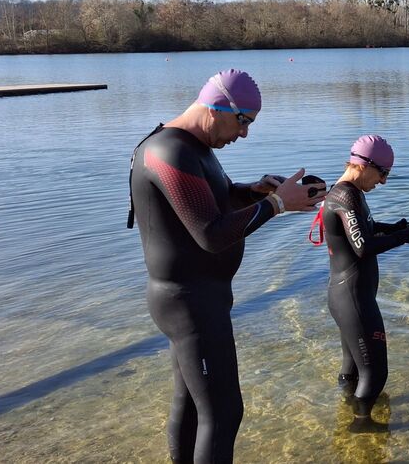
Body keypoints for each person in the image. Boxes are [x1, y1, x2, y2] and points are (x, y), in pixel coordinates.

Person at [128, 69, 319, 463]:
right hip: (189, 302)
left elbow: (211, 199)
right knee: (224, 413)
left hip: (198, 298)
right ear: (217, 109)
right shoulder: (169, 151)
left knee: (193, 405)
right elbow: (210, 234)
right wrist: (276, 204)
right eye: (243, 121)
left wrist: (251, 190)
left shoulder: (193, 147)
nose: (245, 133)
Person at [309, 134, 409, 430]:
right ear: (364, 165)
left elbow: (368, 228)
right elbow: (363, 246)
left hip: (345, 297)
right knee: (375, 374)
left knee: (351, 371)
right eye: (383, 173)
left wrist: (404, 227)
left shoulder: (348, 193)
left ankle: (348, 414)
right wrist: (406, 237)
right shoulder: (346, 195)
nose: (384, 181)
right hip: (354, 300)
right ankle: (361, 426)